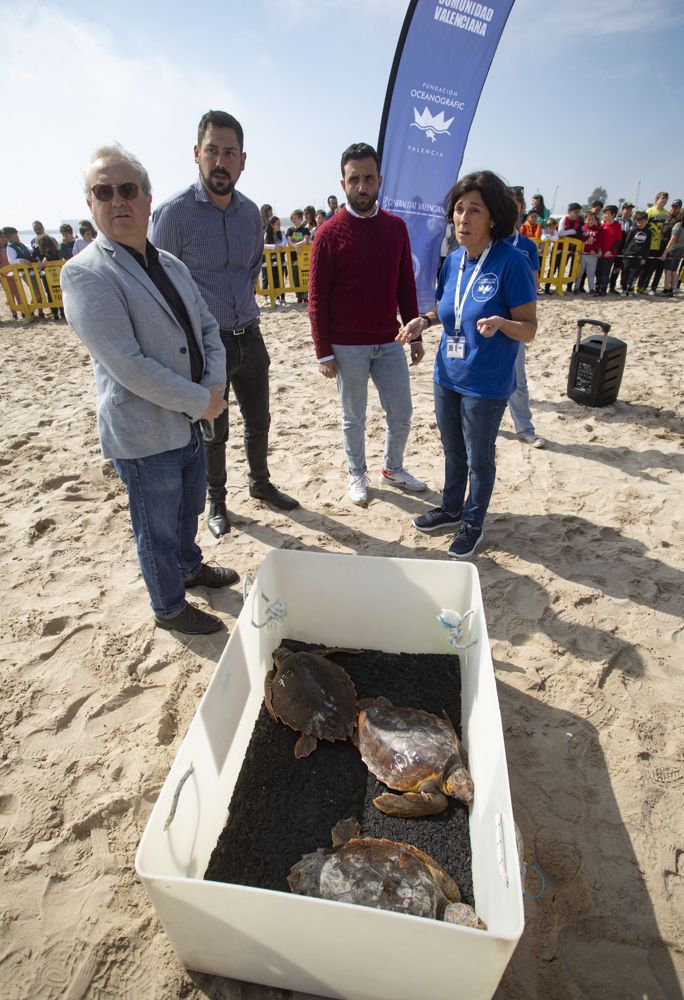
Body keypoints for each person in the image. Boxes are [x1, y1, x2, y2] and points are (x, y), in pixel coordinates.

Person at [61, 142, 238, 635]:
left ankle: (189, 566)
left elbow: (207, 327)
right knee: (156, 524)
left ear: (147, 197)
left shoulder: (170, 263)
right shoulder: (85, 273)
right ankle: (168, 606)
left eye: (128, 189)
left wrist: (215, 381)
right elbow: (128, 366)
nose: (118, 200)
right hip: (145, 430)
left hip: (191, 418)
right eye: (104, 191)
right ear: (90, 203)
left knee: (188, 510)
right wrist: (202, 400)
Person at [152, 109, 299, 539]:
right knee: (214, 431)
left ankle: (260, 484)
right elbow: (163, 284)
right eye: (212, 151)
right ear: (197, 154)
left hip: (250, 335)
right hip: (206, 344)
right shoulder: (173, 215)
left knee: (260, 421)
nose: (221, 161)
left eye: (230, 153)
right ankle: (217, 502)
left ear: (243, 160)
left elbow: (252, 267)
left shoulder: (250, 213)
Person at [400, 170, 537, 558]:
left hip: (486, 381)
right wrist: (423, 321)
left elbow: (528, 329)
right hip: (448, 374)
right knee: (452, 449)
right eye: (458, 209)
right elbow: (447, 309)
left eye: (474, 210)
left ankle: (473, 523)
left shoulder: (512, 262)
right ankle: (450, 507)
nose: (463, 218)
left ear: (492, 217)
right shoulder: (454, 260)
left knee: (480, 457)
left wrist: (502, 323)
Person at [308, 141, 426, 506]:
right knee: (353, 416)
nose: (362, 186)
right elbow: (316, 299)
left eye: (369, 178)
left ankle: (392, 468)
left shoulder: (396, 228)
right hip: (346, 347)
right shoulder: (327, 234)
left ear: (380, 180)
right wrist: (323, 352)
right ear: (343, 184)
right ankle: (356, 473)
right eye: (354, 179)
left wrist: (414, 329)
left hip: (390, 339)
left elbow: (405, 283)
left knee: (402, 411)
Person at [505, 188, 543, 448]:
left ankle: (524, 428)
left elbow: (534, 283)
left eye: (515, 208)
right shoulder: (487, 240)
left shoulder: (527, 246)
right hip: (487, 319)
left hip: (515, 321)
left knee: (518, 378)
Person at [640, 191, 669, 293]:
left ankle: (646, 287)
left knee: (651, 268)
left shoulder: (666, 213)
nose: (664, 201)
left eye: (666, 199)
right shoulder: (650, 211)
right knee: (644, 266)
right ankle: (639, 287)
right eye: (662, 198)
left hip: (659, 244)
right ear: (657, 199)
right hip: (649, 243)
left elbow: (666, 227)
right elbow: (644, 225)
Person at [620, 212, 651, 296]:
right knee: (625, 273)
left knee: (635, 275)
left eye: (642, 222)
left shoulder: (648, 232)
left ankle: (630, 289)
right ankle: (623, 289)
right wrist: (624, 254)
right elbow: (627, 242)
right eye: (638, 222)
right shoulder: (633, 230)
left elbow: (648, 246)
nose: (640, 224)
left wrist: (644, 258)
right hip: (629, 255)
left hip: (639, 257)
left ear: (646, 221)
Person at [36, 234, 64, 319]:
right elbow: (33, 257)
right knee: (49, 292)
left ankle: (62, 310)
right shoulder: (38, 251)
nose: (47, 248)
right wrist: (39, 260)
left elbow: (59, 258)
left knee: (59, 291)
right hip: (46, 276)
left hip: (55, 275)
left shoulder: (55, 251)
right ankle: (54, 312)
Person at [595, 205, 621, 296]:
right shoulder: (603, 225)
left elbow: (618, 240)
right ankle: (597, 288)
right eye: (604, 213)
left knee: (605, 272)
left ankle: (603, 290)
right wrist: (599, 250)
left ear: (613, 214)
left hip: (609, 254)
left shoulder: (617, 225)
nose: (605, 215)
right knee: (598, 271)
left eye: (607, 214)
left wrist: (610, 251)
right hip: (600, 253)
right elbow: (599, 239)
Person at [573, 211, 601, 294]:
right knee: (579, 272)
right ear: (585, 220)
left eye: (592, 219)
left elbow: (600, 241)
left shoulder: (599, 229)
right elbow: (578, 238)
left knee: (591, 273)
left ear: (595, 220)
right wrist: (585, 239)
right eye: (588, 219)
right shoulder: (581, 228)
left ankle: (591, 289)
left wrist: (595, 249)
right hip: (582, 254)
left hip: (592, 255)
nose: (590, 221)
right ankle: (576, 288)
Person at [286, 209, 311, 302]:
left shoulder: (305, 229)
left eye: (295, 218)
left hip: (303, 258)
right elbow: (289, 241)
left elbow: (306, 240)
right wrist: (294, 246)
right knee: (295, 277)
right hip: (293, 258)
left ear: (300, 218)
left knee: (304, 276)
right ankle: (298, 296)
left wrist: (297, 245)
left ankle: (305, 295)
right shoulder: (290, 230)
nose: (294, 220)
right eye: (292, 218)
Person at [660, 207, 684, 296]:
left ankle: (666, 290)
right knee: (674, 270)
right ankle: (672, 289)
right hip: (681, 249)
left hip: (674, 249)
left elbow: (672, 239)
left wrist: (665, 252)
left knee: (668, 270)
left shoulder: (678, 225)